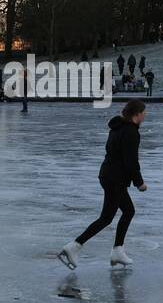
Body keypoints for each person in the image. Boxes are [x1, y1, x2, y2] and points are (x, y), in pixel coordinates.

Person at [58, 100, 148, 270]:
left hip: (108, 175)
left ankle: (117, 251)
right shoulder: (130, 132)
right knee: (107, 218)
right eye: (144, 112)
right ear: (137, 114)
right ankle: (74, 247)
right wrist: (139, 183)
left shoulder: (117, 128)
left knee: (128, 211)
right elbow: (131, 161)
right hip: (115, 178)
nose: (145, 115)